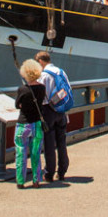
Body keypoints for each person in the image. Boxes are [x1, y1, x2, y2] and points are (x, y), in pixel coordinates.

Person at [35, 50, 69, 182]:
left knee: (49, 143)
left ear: (40, 62)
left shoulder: (43, 75)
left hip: (48, 111)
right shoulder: (61, 72)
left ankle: (49, 173)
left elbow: (40, 95)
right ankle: (62, 171)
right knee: (61, 142)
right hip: (61, 110)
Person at [14, 59, 46, 189]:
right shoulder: (42, 88)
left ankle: (20, 182)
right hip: (37, 124)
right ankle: (36, 180)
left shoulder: (22, 89)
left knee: (21, 152)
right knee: (36, 153)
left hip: (23, 124)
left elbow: (17, 105)